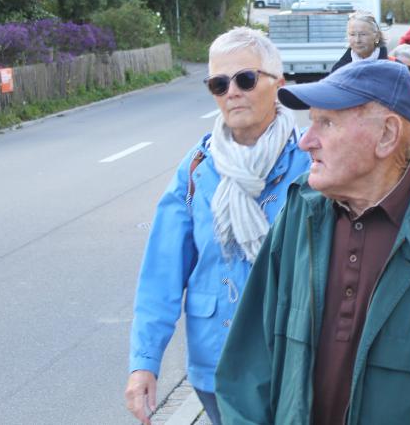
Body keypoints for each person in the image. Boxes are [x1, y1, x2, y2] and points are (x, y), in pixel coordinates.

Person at [214, 59, 410, 425]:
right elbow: (248, 364)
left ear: (386, 135)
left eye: (326, 123)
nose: (305, 141)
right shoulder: (303, 210)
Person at [125, 27, 310, 425]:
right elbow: (162, 271)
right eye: (219, 84)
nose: (232, 92)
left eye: (246, 79)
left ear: (278, 85)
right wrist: (144, 362)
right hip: (216, 363)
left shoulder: (311, 162)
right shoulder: (198, 167)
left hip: (292, 360)